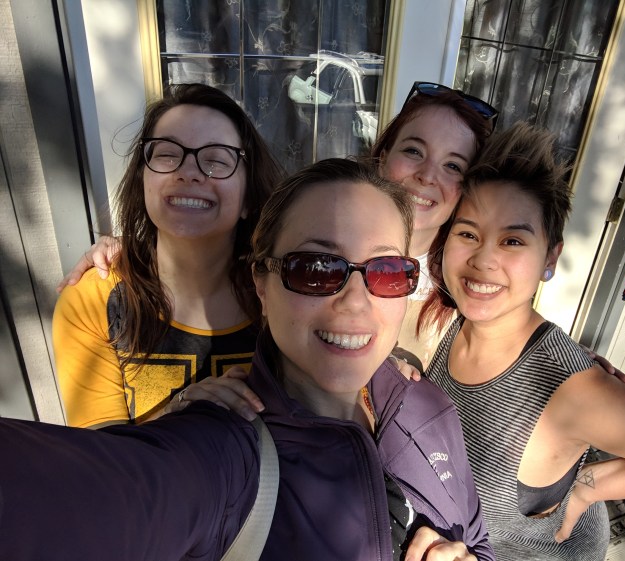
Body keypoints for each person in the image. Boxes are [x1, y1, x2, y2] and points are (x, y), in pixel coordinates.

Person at [0, 158, 494, 561]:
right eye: (315, 268)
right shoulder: (228, 455)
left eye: (386, 271)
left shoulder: (425, 404)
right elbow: (96, 498)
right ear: (261, 283)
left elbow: (480, 542)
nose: (355, 301)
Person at [418, 122, 625, 559]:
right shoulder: (454, 320)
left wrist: (592, 487)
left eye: (513, 240)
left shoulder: (572, 389)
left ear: (549, 258)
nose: (484, 259)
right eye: (468, 234)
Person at [58, 81, 497, 371]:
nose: (427, 175)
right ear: (382, 156)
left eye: (453, 165)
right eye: (414, 151)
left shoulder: (467, 300)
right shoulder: (297, 266)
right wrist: (131, 248)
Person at [53, 83, 282, 427]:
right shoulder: (93, 297)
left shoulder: (286, 291)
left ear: (248, 196)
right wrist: (181, 411)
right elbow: (99, 451)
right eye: (167, 154)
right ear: (142, 179)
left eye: (216, 160)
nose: (187, 172)